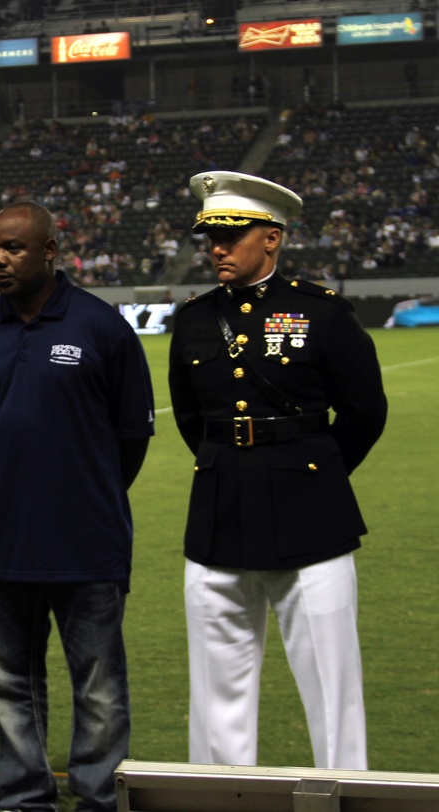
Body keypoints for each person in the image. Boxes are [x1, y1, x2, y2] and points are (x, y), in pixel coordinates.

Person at [168, 171, 388, 769]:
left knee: (331, 688)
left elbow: (366, 411)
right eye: (209, 235)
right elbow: (192, 418)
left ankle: (346, 796)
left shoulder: (322, 312)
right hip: (219, 515)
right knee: (216, 693)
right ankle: (220, 800)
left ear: (272, 238)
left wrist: (311, 470)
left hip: (309, 516)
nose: (216, 247)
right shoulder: (191, 319)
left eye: (231, 235)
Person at [0, 202, 154, 812]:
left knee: (98, 689)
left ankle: (98, 799)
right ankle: (24, 797)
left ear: (50, 250)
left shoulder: (102, 327)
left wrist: (85, 496)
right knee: (10, 686)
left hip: (87, 543)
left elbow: (132, 439)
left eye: (13, 247)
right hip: (1, 546)